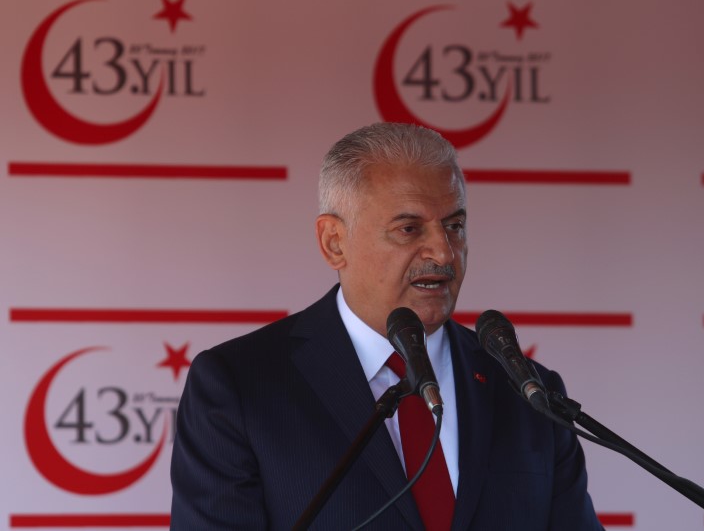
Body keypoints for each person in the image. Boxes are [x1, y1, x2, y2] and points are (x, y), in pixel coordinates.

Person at [170, 122, 603, 530]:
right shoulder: (240, 386)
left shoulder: (528, 394)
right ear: (334, 242)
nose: (444, 252)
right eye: (409, 228)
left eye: (454, 226)